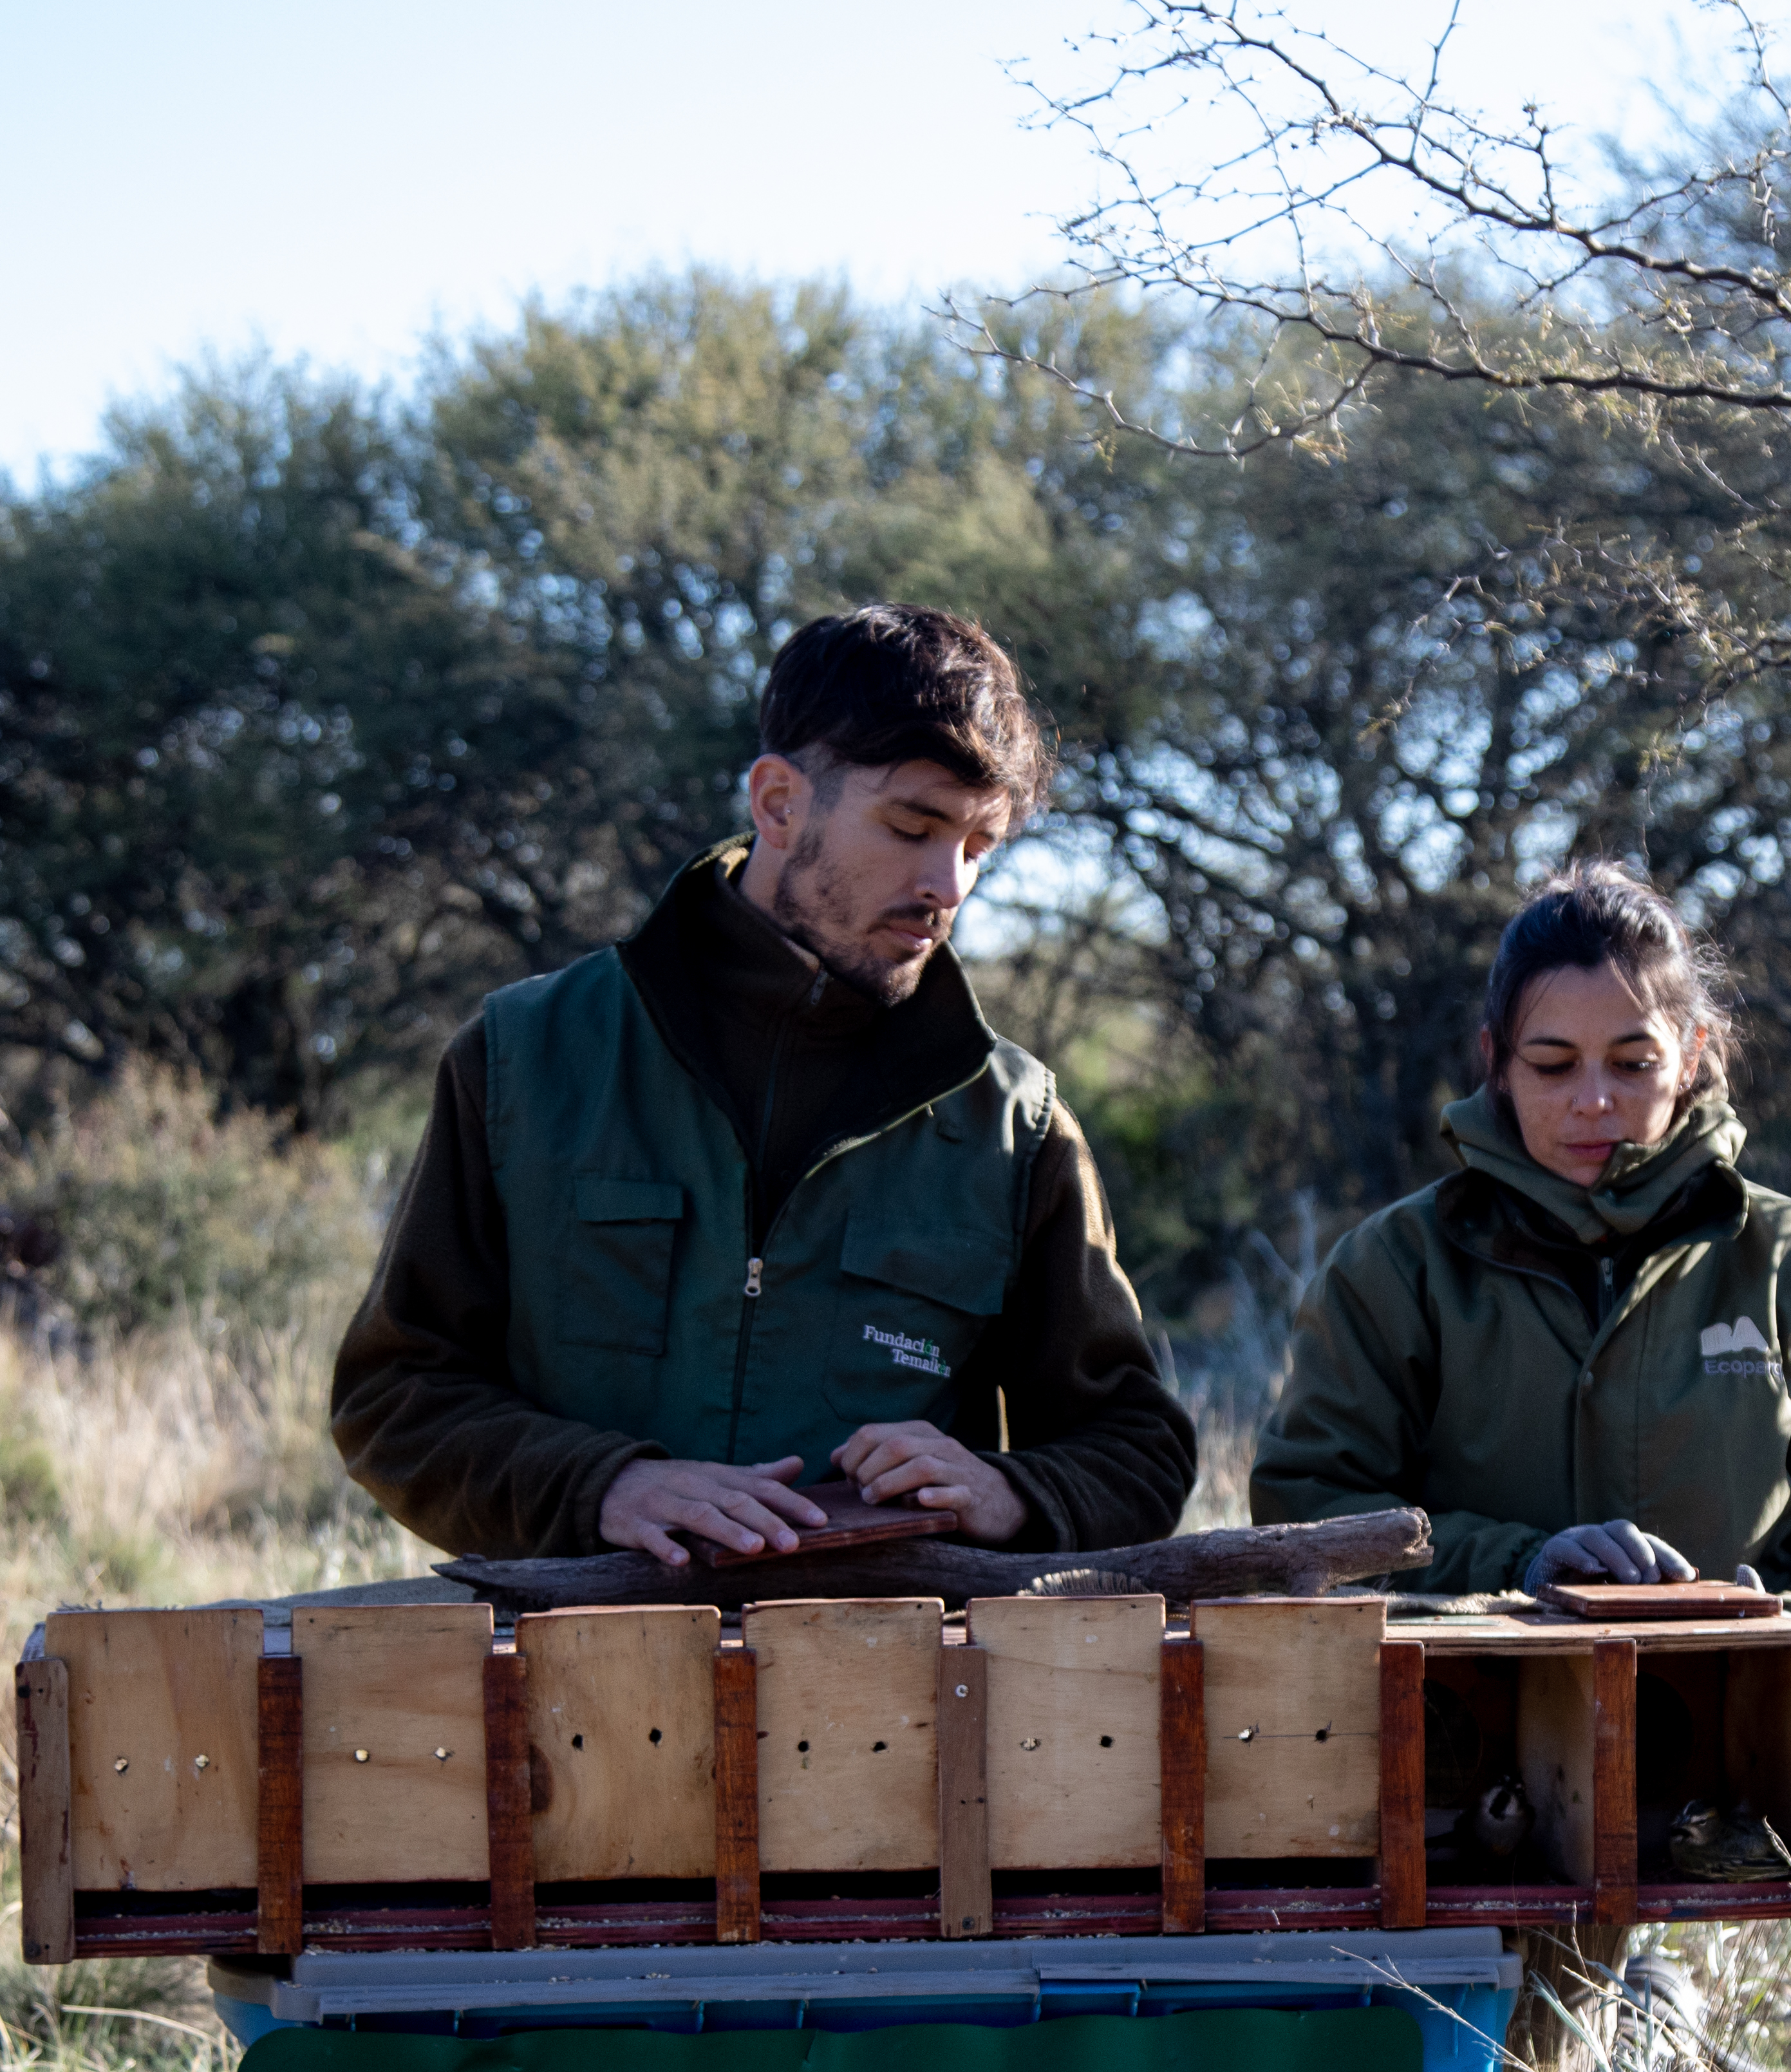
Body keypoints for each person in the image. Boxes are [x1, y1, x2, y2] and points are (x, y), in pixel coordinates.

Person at [1251, 863, 1791, 2072]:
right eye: (1554, 1063)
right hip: (1483, 1762)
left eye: (1632, 1060)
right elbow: (1306, 1514)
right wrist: (1519, 1569)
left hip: (1750, 1751)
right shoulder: (1397, 1268)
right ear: (1495, 1061)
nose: (1595, 1102)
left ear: (1694, 1051)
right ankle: (1641, 2047)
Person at [333, 606, 1196, 1562]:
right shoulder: (521, 1057)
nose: (948, 885)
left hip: (893, 1693)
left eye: (978, 847)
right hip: (566, 1679)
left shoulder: (1013, 1122)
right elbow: (395, 1398)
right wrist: (599, 1487)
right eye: (913, 827)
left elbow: (1138, 1452)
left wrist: (1009, 1491)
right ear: (780, 803)